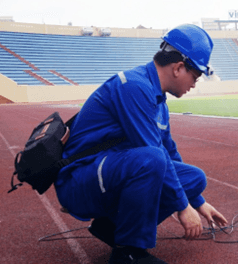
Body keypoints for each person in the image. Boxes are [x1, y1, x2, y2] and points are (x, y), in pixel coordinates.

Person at [55, 24, 227, 264]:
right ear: (178, 68)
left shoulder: (158, 102)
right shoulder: (134, 87)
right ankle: (128, 252)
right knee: (152, 159)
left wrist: (197, 201)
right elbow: (154, 154)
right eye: (195, 76)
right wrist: (182, 207)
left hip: (104, 171)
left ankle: (112, 228)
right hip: (79, 179)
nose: (194, 84)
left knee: (194, 178)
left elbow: (169, 153)